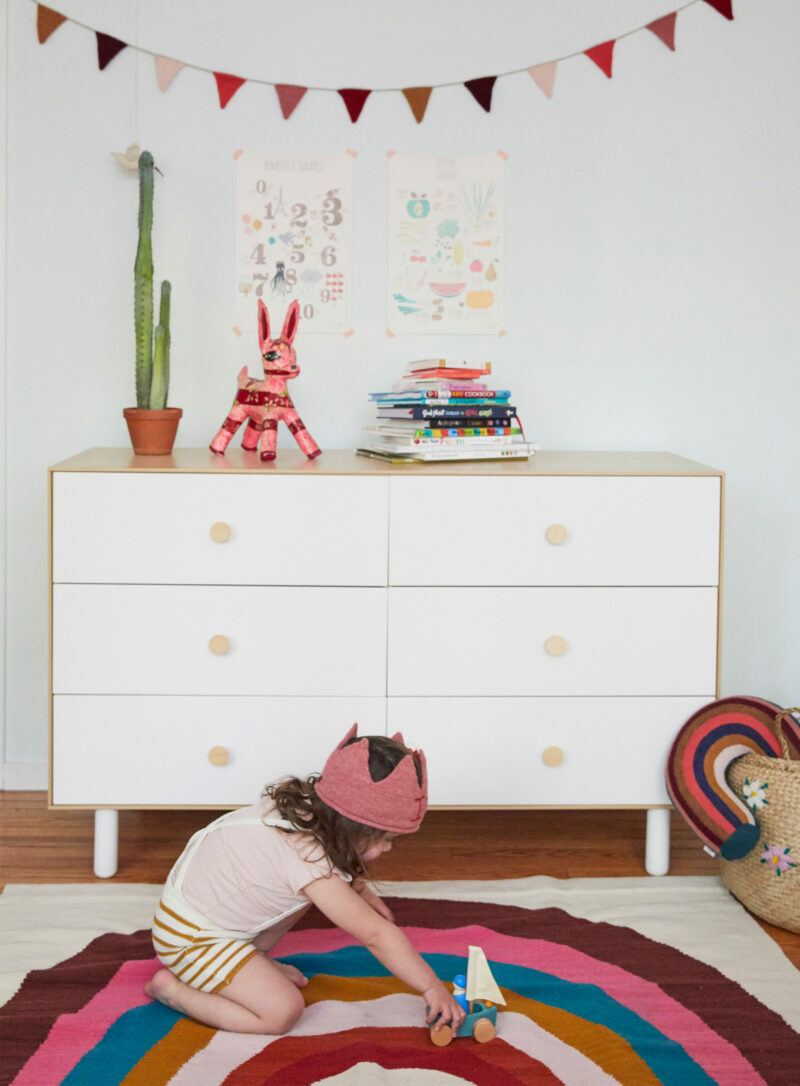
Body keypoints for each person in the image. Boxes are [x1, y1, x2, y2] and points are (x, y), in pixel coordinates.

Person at [145, 724, 466, 1036]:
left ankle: (249, 963)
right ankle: (174, 989)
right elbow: (375, 935)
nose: (388, 848)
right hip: (191, 940)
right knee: (282, 1010)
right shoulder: (308, 860)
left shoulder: (307, 810)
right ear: (353, 829)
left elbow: (335, 867)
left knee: (314, 892)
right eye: (385, 840)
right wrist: (431, 986)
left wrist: (361, 893)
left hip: (204, 913)